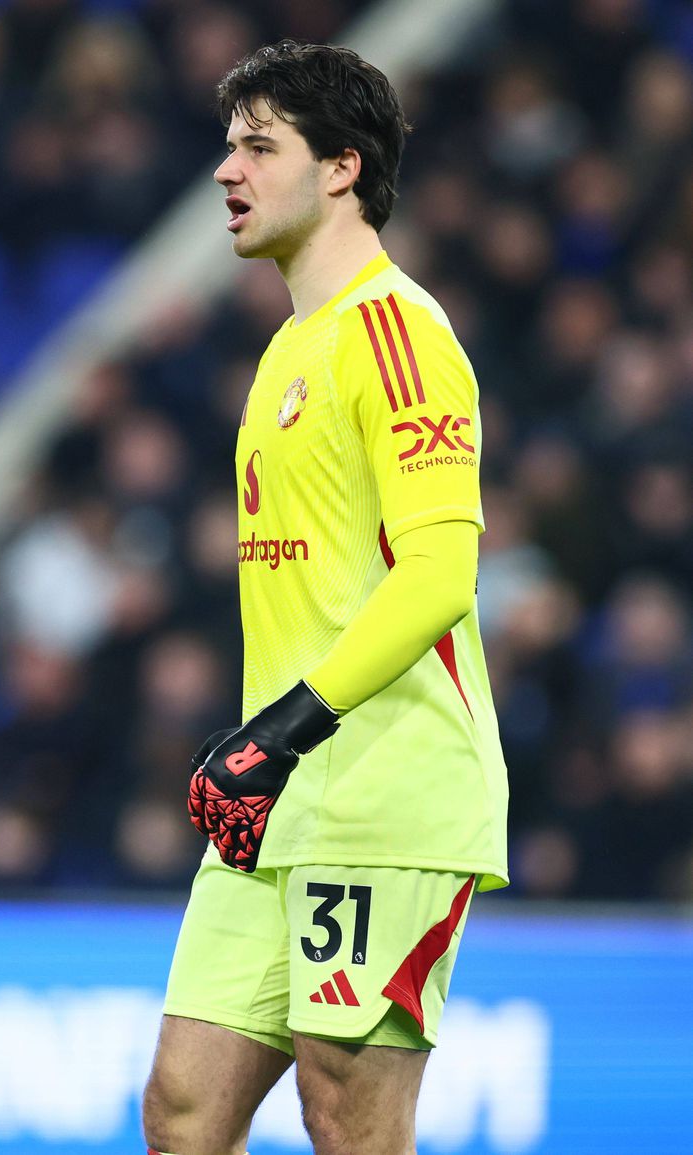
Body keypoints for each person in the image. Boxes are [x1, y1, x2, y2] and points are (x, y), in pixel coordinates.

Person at [143, 40, 508, 1155]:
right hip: (279, 797)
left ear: (342, 166)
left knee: (346, 1114)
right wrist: (264, 745)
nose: (227, 170)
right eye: (228, 146)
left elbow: (438, 574)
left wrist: (283, 729)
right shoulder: (287, 351)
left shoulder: (397, 333)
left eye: (259, 147)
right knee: (183, 1108)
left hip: (387, 795)